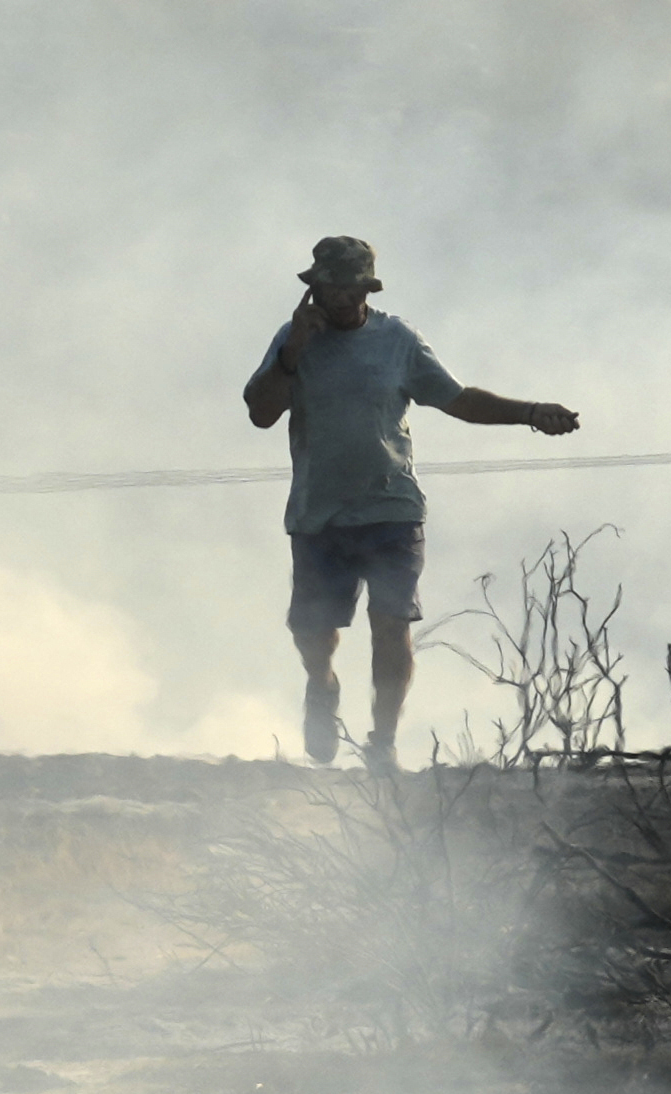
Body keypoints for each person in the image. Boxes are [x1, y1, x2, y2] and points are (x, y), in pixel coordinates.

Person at [239, 232, 579, 769]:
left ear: (367, 289)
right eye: (331, 288)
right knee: (314, 634)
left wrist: (531, 412)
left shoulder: (396, 339)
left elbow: (459, 400)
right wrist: (293, 351)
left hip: (392, 507)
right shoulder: (292, 340)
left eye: (352, 287)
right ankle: (321, 687)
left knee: (391, 622)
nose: (342, 298)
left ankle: (383, 740)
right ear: (314, 290)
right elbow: (261, 411)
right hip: (318, 511)